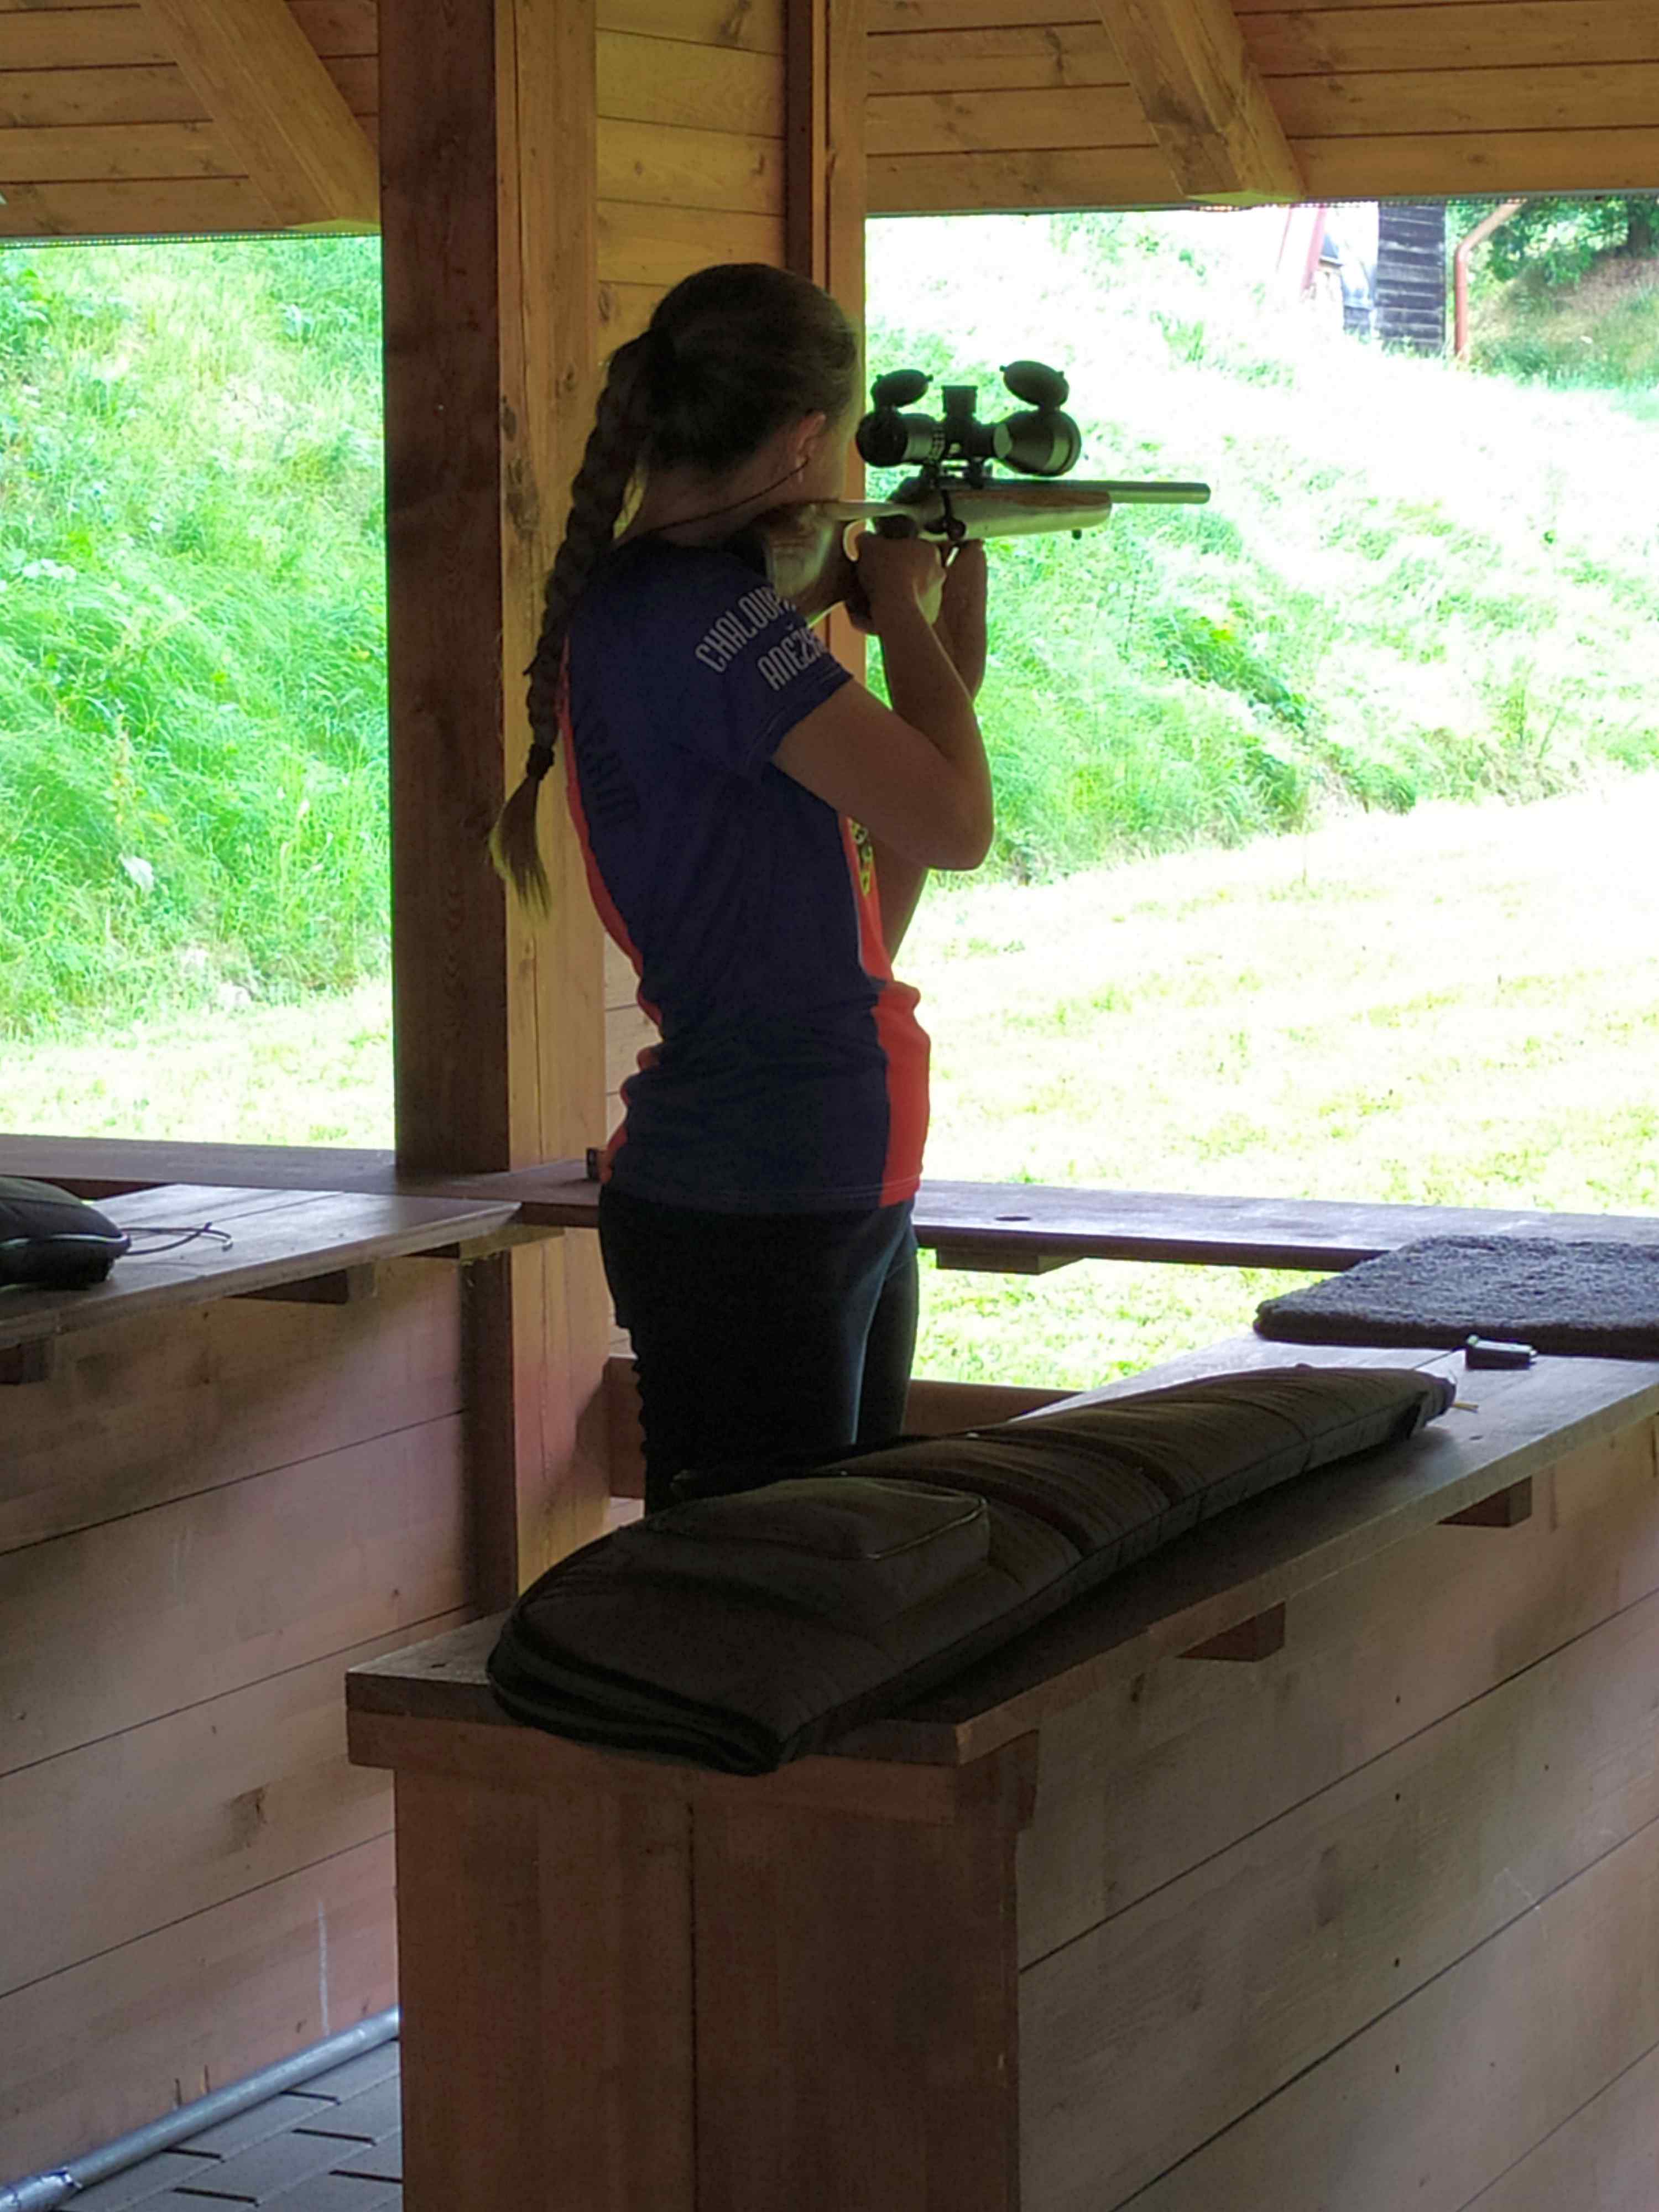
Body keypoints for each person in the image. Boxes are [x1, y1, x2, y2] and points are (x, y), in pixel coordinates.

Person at [493, 262, 991, 1513]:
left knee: (826, 1571)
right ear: (807, 439)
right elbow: (960, 822)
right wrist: (902, 615)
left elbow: (872, 916)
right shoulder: (706, 619)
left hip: (807, 1175)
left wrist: (938, 652)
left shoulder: (669, 609)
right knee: (757, 1588)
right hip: (761, 1187)